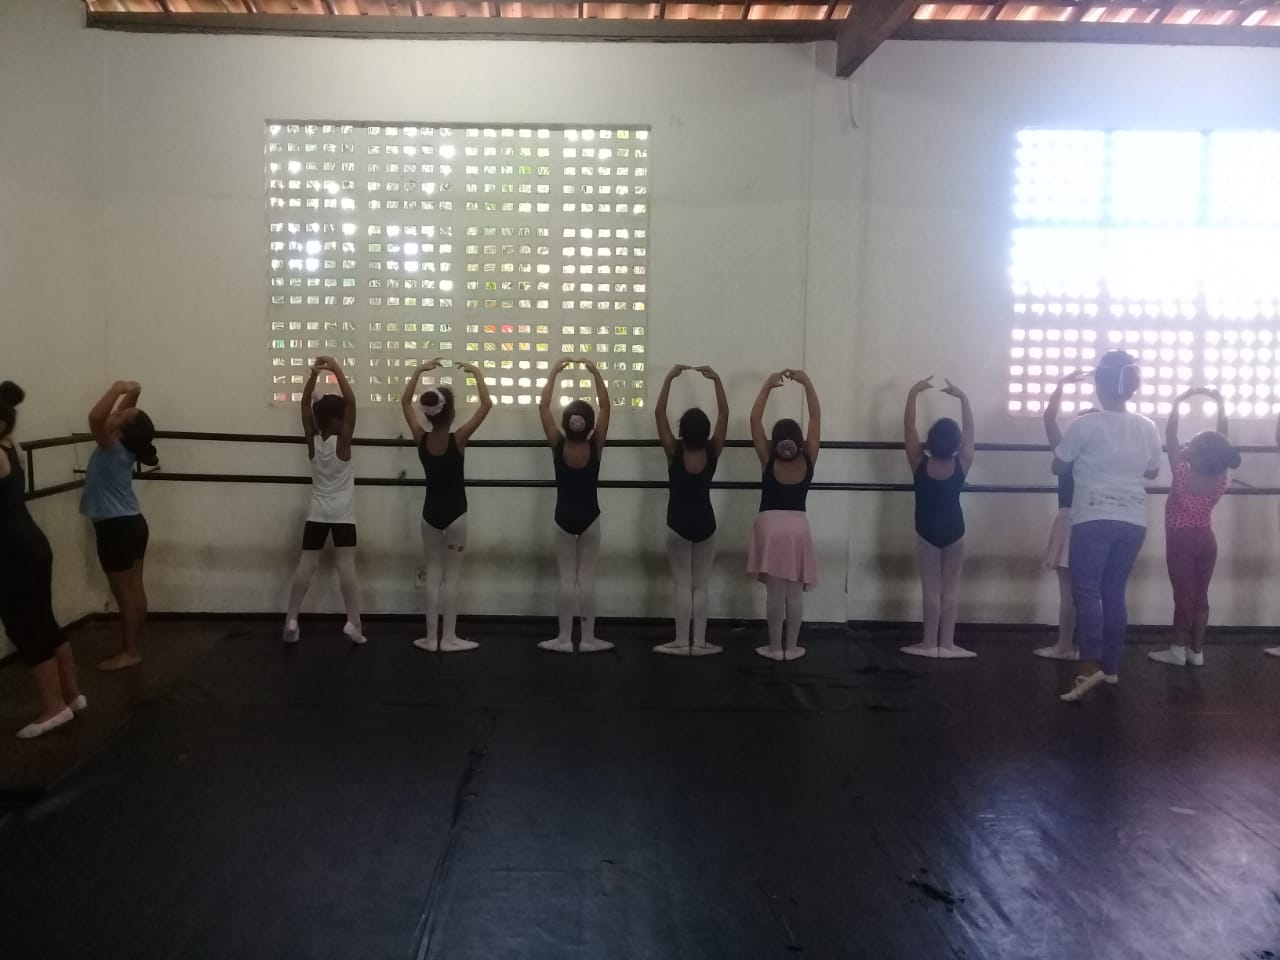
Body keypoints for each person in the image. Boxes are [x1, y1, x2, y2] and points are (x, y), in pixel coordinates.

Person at [1053, 351, 1163, 702]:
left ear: (1099, 385)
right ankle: (1110, 667)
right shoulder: (1147, 426)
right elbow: (1152, 471)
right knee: (1114, 591)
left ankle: (1088, 667)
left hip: (1093, 517)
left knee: (1086, 592)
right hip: (1133, 520)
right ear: (1132, 387)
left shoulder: (1085, 425)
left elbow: (1058, 466)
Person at [0, 382, 85, 738]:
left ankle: (54, 708)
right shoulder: (10, 446)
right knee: (44, 622)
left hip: (12, 551)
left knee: (25, 628)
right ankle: (72, 696)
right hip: (30, 544)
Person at [401, 357, 493, 653]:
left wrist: (418, 371)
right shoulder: (459, 439)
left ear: (428, 414)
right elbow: (486, 405)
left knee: (433, 575)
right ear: (451, 413)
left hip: (429, 514)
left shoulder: (420, 438)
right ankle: (449, 637)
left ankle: (431, 638)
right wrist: (476, 372)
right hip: (456, 514)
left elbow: (405, 403)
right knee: (451, 578)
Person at [1149, 388, 1238, 667]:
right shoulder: (1221, 476)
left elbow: (1170, 434)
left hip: (1181, 543)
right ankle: (1197, 651)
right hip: (1206, 541)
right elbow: (1222, 441)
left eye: (1191, 444)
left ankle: (1177, 649)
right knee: (1201, 597)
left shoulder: (1182, 472)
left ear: (1197, 457)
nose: (1185, 444)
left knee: (1183, 597)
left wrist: (1177, 403)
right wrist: (1220, 405)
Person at [282, 357, 364, 645]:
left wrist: (313, 375)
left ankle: (292, 619)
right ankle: (353, 622)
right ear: (339, 420)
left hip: (317, 513)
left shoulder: (313, 441)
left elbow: (305, 404)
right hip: (343, 515)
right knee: (346, 567)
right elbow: (352, 402)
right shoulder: (343, 442)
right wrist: (336, 368)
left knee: (307, 564)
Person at [653, 364, 728, 657]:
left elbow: (659, 414)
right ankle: (700, 642)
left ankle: (681, 641)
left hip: (677, 524)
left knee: (682, 585)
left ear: (682, 431)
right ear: (706, 431)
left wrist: (669, 378)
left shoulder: (674, 451)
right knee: (701, 586)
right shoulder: (713, 450)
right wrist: (716, 380)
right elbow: (724, 414)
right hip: (705, 523)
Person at [900, 376, 976, 659]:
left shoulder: (919, 463)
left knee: (930, 590)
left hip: (927, 531)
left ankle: (929, 644)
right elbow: (969, 432)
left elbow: (909, 428)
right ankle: (948, 645)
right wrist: (963, 399)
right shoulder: (963, 462)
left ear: (929, 442)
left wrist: (913, 393)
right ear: (956, 443)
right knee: (951, 590)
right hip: (955, 530)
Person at [84, 379, 158, 671]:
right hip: (134, 523)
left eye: (122, 414)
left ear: (120, 431)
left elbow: (96, 417)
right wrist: (134, 393)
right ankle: (134, 645)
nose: (117, 411)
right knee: (135, 588)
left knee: (124, 594)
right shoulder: (125, 445)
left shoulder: (110, 445)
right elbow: (118, 418)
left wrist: (117, 387)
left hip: (116, 528)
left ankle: (130, 651)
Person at [539, 356, 611, 654]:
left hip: (563, 517)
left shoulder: (558, 444)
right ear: (590, 425)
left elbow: (544, 408)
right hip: (590, 516)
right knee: (587, 579)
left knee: (567, 579)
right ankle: (589, 639)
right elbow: (606, 407)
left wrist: (554, 373)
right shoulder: (595, 445)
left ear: (566, 423)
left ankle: (564, 638)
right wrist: (595, 373)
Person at [747, 369, 820, 661]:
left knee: (775, 593)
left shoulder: (767, 457)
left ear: (774, 441)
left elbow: (754, 419)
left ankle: (775, 648)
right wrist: (807, 383)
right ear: (800, 442)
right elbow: (815, 418)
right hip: (798, 526)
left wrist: (767, 385)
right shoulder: (808, 457)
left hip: (770, 525)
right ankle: (793, 647)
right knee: (795, 592)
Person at [1035, 370, 1095, 660]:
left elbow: (1049, 419)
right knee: (1091, 590)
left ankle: (1065, 645)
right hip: (1095, 519)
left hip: (1069, 519)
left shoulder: (1067, 454)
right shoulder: (1103, 459)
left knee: (1068, 591)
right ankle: (1089, 647)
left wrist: (1060, 386)